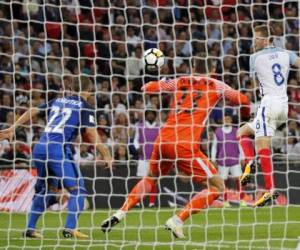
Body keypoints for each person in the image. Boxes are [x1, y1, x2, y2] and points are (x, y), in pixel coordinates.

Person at [101, 58, 250, 239]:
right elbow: (243, 100)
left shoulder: (179, 80)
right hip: (184, 144)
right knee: (218, 187)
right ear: (212, 69)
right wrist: (245, 116)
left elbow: (149, 88)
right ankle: (178, 220)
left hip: (163, 140)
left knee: (150, 178)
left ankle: (121, 212)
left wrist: (152, 83)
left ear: (193, 66)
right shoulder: (217, 85)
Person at [0, 76, 112, 239]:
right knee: (77, 190)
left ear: (71, 88)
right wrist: (106, 154)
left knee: (47, 190)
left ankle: (30, 228)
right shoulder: (85, 106)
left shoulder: (58, 100)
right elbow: (90, 132)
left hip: (40, 148)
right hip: (58, 150)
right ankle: (70, 228)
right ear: (89, 91)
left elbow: (33, 110)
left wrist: (13, 128)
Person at [238, 25, 300, 207]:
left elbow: (252, 82)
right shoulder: (286, 53)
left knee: (261, 145)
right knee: (242, 132)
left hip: (268, 103)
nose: (254, 42)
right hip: (283, 107)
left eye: (256, 39)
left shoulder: (254, 58)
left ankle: (268, 186)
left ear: (266, 39)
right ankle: (253, 167)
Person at [211, 109, 245, 206]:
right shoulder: (217, 132)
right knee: (223, 181)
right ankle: (225, 201)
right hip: (222, 161)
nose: (226, 120)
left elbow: (240, 145)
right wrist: (213, 159)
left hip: (235, 160)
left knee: (239, 180)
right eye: (224, 119)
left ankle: (242, 200)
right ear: (222, 120)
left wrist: (242, 157)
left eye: (228, 119)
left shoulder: (236, 131)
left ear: (231, 120)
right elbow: (214, 146)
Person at [134, 110, 160, 207]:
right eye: (148, 114)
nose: (150, 115)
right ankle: (137, 201)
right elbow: (135, 139)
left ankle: (152, 203)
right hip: (143, 158)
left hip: (155, 158)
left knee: (153, 180)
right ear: (145, 116)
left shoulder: (159, 127)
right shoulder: (140, 126)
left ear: (154, 115)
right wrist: (137, 147)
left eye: (151, 114)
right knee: (141, 180)